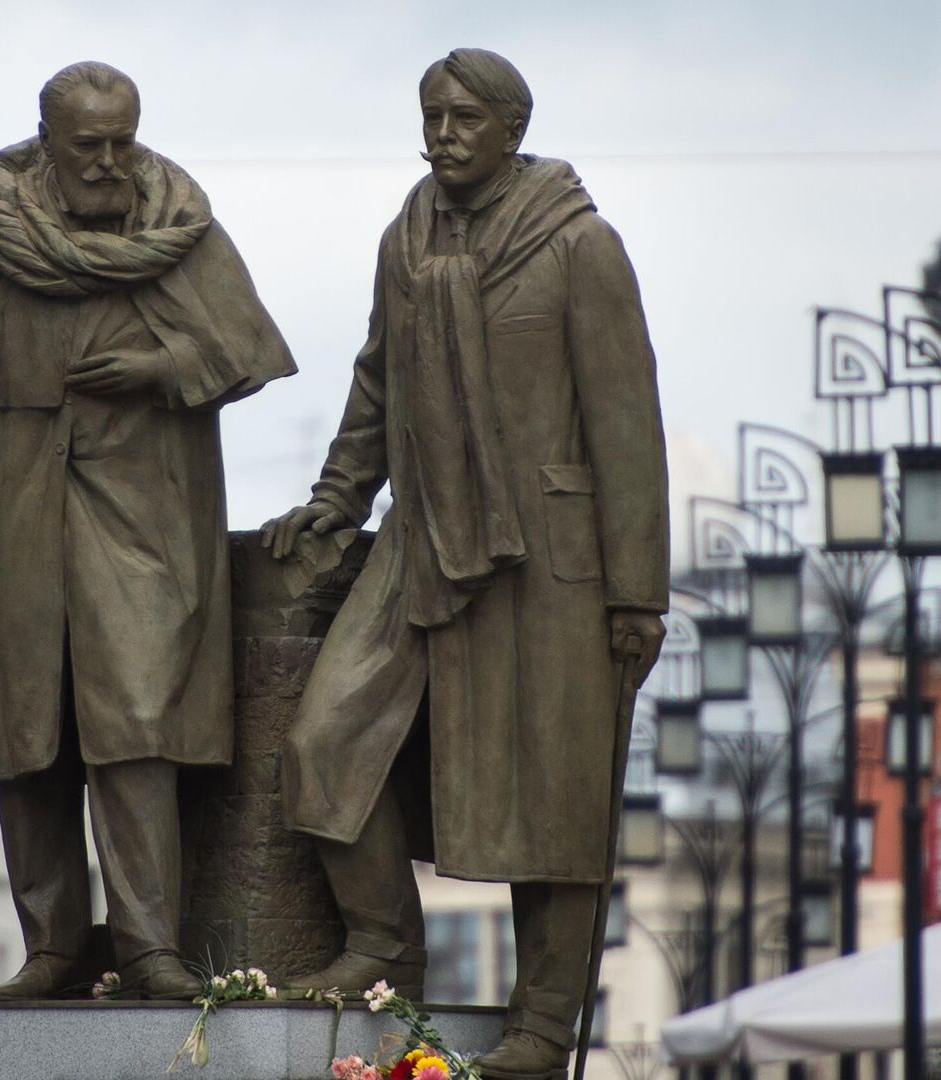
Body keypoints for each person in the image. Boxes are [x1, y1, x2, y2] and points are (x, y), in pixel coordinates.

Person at [263, 47, 667, 1080]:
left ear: (510, 129)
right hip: (421, 536)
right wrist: (335, 499)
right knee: (326, 738)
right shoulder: (405, 237)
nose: (441, 134)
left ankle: (543, 1021)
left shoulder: (580, 247)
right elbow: (375, 383)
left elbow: (628, 428)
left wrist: (638, 595)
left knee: (555, 798)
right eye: (431, 116)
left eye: (461, 119)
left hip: (549, 557)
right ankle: (385, 945)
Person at [0, 61, 295, 1000]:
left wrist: (161, 367)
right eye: (90, 146)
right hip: (13, 515)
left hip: (147, 514)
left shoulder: (178, 229)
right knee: (27, 738)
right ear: (49, 142)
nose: (112, 162)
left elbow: (246, 351)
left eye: (124, 140)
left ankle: (149, 941)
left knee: (137, 728)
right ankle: (52, 942)